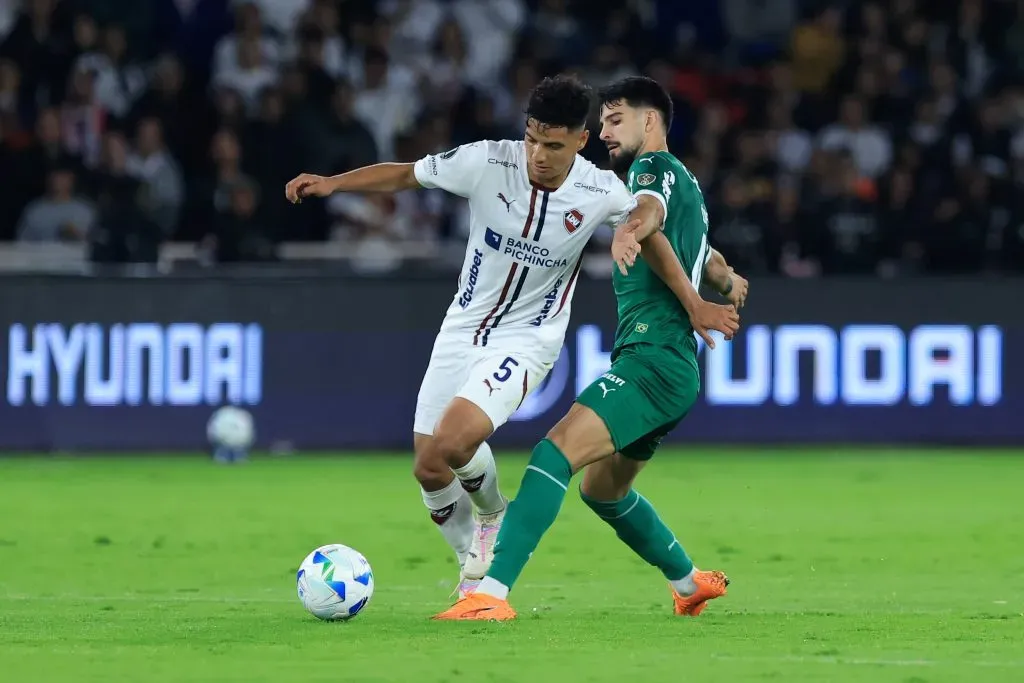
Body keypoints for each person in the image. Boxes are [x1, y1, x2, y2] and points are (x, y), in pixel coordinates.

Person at [285, 76, 740, 597]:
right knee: (429, 465)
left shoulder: (599, 189)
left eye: (552, 144)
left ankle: (494, 520)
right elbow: (407, 175)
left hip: (528, 339)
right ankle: (470, 560)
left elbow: (654, 231)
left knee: (457, 440)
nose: (537, 154)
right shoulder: (486, 160)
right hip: (462, 327)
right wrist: (334, 183)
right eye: (531, 138)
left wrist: (689, 292)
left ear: (578, 141)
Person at [434, 76, 749, 621]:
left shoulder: (653, 171)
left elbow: (649, 210)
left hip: (653, 362)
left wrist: (634, 229)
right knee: (603, 492)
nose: (603, 131)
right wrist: (723, 278)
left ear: (649, 121)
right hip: (668, 369)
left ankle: (491, 594)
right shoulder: (686, 183)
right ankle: (689, 581)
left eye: (614, 119)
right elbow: (696, 245)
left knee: (554, 452)